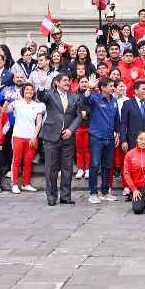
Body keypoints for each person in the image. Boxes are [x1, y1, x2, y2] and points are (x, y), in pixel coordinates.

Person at [38, 74, 83, 206]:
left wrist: (71, 130)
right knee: (51, 169)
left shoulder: (74, 96)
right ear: (56, 83)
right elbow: (41, 97)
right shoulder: (50, 95)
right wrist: (42, 84)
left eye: (68, 80)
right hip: (51, 137)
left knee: (67, 168)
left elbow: (79, 116)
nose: (67, 82)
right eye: (64, 80)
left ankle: (65, 196)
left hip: (68, 137)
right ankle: (51, 196)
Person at [82, 76, 121, 204]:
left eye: (113, 86)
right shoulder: (95, 98)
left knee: (108, 166)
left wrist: (118, 133)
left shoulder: (114, 101)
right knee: (94, 165)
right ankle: (93, 193)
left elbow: (116, 119)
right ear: (103, 88)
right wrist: (90, 88)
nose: (113, 88)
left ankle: (105, 191)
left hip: (110, 138)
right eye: (110, 86)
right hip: (97, 137)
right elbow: (84, 100)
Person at [6, 82, 45, 194]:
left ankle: (25, 184)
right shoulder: (16, 103)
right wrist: (7, 100)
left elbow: (39, 123)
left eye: (31, 90)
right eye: (27, 89)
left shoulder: (37, 105)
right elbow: (4, 110)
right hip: (18, 136)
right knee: (16, 161)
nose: (29, 91)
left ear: (34, 92)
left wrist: (34, 137)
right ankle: (14, 184)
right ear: (23, 91)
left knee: (28, 162)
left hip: (31, 137)